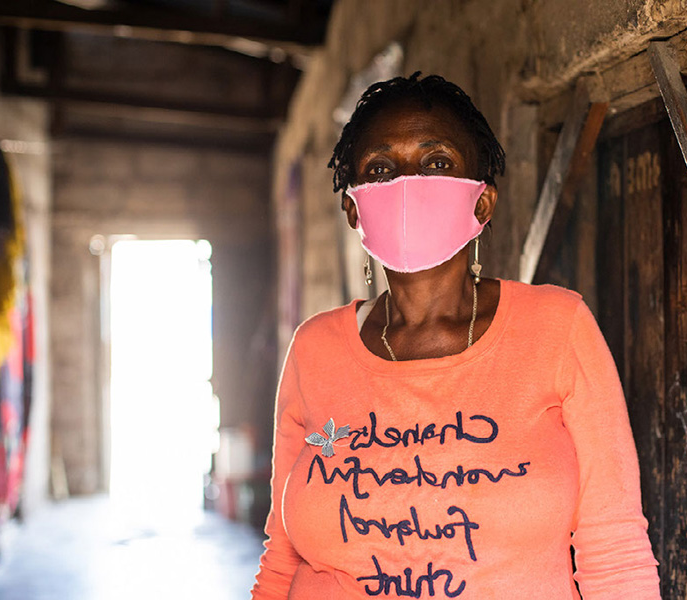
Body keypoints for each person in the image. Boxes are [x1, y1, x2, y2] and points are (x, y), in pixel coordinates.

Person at [251, 72, 661, 599]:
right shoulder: (313, 349)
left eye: (436, 162)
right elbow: (282, 556)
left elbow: (616, 551)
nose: (405, 183)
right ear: (353, 210)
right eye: (379, 169)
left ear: (483, 203)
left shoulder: (558, 329)